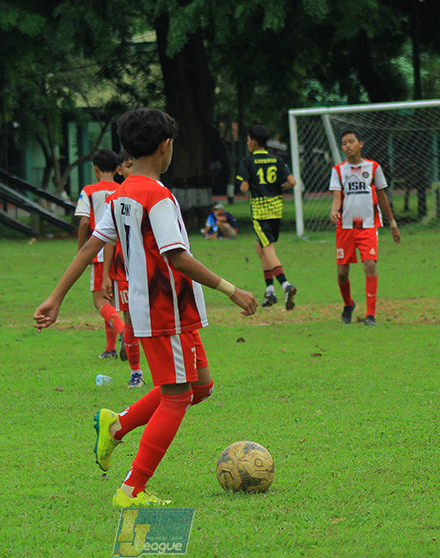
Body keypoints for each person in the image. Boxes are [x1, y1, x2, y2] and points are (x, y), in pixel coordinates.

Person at [34, 107, 257, 507]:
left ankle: (117, 426)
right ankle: (131, 489)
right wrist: (231, 289)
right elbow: (178, 257)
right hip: (163, 310)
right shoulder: (157, 195)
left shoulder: (120, 194)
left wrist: (55, 297)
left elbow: (89, 249)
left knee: (200, 387)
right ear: (165, 146)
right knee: (176, 397)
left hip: (168, 309)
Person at [329, 129, 401, 327]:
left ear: (360, 144)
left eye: (351, 142)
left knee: (370, 264)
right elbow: (336, 197)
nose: (347, 146)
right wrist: (334, 211)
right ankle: (348, 304)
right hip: (345, 228)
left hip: (368, 226)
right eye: (344, 143)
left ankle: (370, 315)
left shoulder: (373, 167)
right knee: (342, 273)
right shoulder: (338, 171)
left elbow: (383, 197)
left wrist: (393, 224)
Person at [236, 124, 298, 309]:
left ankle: (286, 285)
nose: (248, 143)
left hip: (260, 212)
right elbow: (292, 182)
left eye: (248, 140)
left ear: (254, 142)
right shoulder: (276, 160)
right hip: (276, 210)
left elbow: (244, 188)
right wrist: (276, 188)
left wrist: (252, 187)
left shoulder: (247, 161)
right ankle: (269, 292)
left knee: (268, 249)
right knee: (260, 248)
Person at [74, 148, 125, 359]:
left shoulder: (89, 190)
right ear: (116, 169)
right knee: (111, 301)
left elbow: (85, 220)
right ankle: (110, 348)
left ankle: (125, 333)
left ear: (95, 169)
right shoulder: (122, 188)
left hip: (99, 251)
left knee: (100, 301)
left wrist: (81, 252)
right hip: (119, 252)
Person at [101, 151, 146, 389]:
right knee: (130, 319)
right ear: (119, 170)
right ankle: (136, 372)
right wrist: (107, 274)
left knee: (153, 318)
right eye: (129, 165)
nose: (133, 169)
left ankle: (162, 369)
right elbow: (109, 239)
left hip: (148, 267)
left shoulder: (151, 193)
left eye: (135, 164)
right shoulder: (114, 199)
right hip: (123, 270)